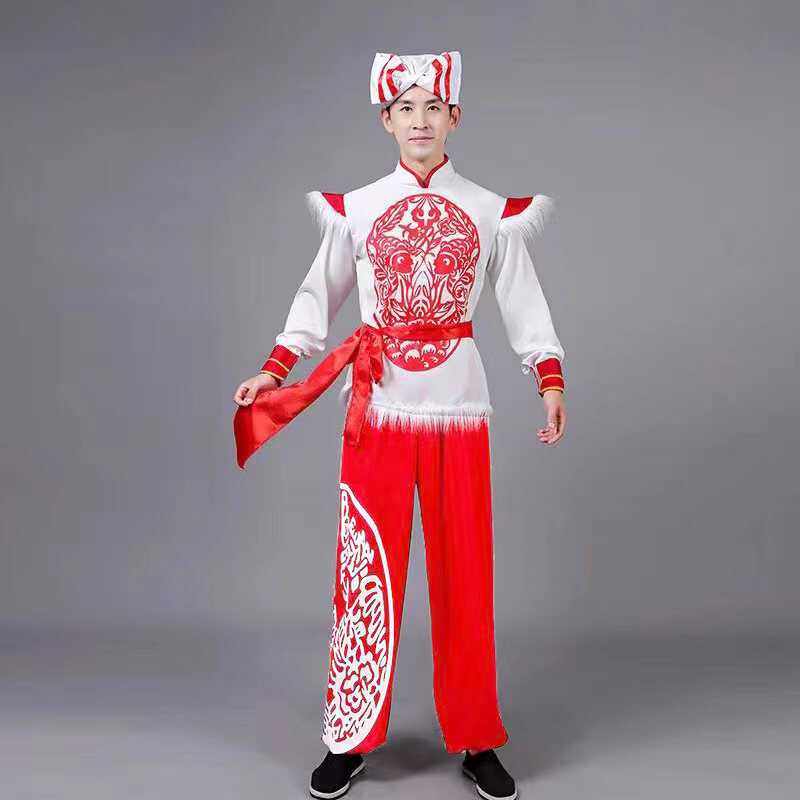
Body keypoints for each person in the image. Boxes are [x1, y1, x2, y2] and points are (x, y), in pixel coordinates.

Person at [233, 50, 567, 800]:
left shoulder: (489, 210)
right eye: (405, 108)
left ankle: (477, 736)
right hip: (376, 409)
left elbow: (523, 301)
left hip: (459, 410)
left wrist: (548, 378)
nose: (420, 121)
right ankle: (349, 736)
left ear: (455, 118)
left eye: (432, 108)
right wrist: (275, 369)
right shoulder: (356, 208)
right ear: (386, 121)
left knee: (465, 573)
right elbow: (318, 295)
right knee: (365, 569)